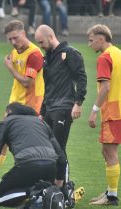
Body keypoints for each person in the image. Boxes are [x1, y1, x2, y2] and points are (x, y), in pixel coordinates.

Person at [0, 102, 68, 207]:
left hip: (27, 167)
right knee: (24, 183)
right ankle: (46, 191)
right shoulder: (42, 123)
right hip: (50, 168)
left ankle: (35, 192)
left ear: (9, 112)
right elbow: (62, 159)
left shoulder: (6, 122)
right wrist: (58, 189)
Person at [86, 24, 121, 206]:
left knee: (110, 152)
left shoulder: (104, 58)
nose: (90, 45)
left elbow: (106, 87)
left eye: (91, 41)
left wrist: (94, 111)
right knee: (107, 151)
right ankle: (109, 191)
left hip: (113, 111)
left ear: (101, 38)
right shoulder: (118, 53)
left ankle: (112, 197)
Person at [34, 25, 87, 157]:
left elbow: (81, 78)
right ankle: (50, 178)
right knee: (46, 148)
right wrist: (42, 112)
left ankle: (63, 178)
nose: (40, 45)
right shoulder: (48, 58)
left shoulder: (70, 53)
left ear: (50, 37)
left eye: (41, 42)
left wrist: (78, 103)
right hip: (49, 108)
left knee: (58, 148)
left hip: (63, 107)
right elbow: (48, 87)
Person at [4, 19, 45, 116]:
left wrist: (10, 67)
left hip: (29, 106)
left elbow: (28, 83)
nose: (13, 42)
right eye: (10, 39)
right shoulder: (15, 51)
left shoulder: (34, 54)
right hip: (15, 102)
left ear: (24, 33)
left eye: (15, 38)